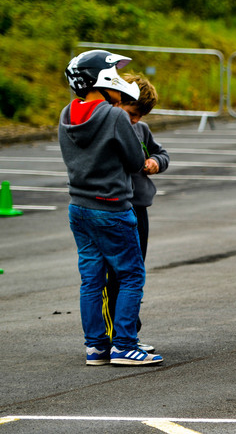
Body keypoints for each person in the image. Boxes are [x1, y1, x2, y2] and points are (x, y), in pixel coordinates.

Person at [59, 50, 163, 366]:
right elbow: (134, 161)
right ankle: (124, 346)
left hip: (79, 206)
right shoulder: (115, 116)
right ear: (101, 80)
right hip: (112, 208)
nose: (119, 85)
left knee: (92, 279)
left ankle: (96, 347)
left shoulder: (67, 114)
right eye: (115, 78)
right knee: (131, 276)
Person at [102, 73, 169, 352]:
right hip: (115, 207)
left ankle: (128, 329)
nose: (135, 121)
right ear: (117, 102)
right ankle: (115, 334)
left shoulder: (141, 129)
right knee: (116, 273)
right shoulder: (109, 127)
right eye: (132, 113)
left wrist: (155, 162)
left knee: (135, 270)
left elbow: (162, 154)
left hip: (139, 207)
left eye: (140, 116)